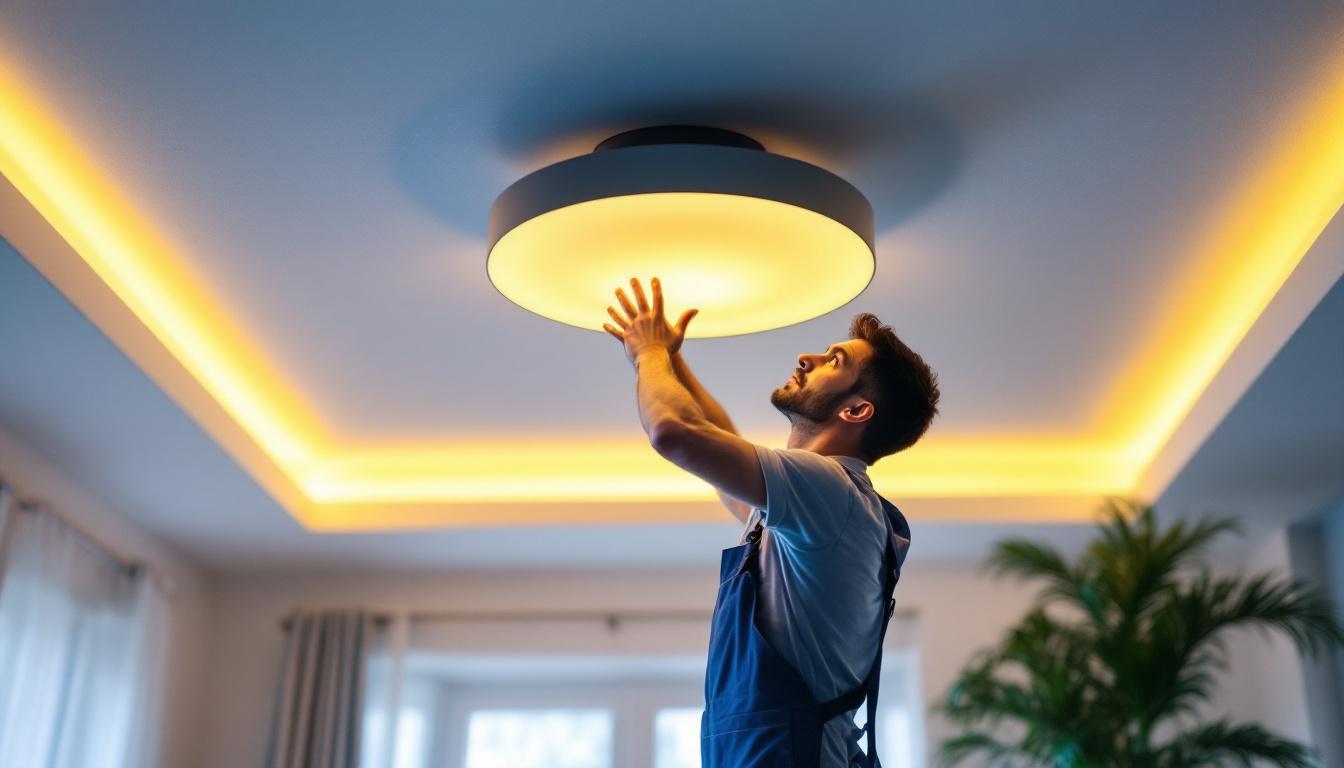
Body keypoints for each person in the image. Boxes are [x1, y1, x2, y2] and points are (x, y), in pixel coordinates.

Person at [603, 276, 940, 767]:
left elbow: (674, 432)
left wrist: (648, 354)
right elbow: (716, 437)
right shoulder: (804, 513)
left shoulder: (832, 492)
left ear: (856, 409)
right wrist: (673, 360)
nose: (808, 358)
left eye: (834, 362)